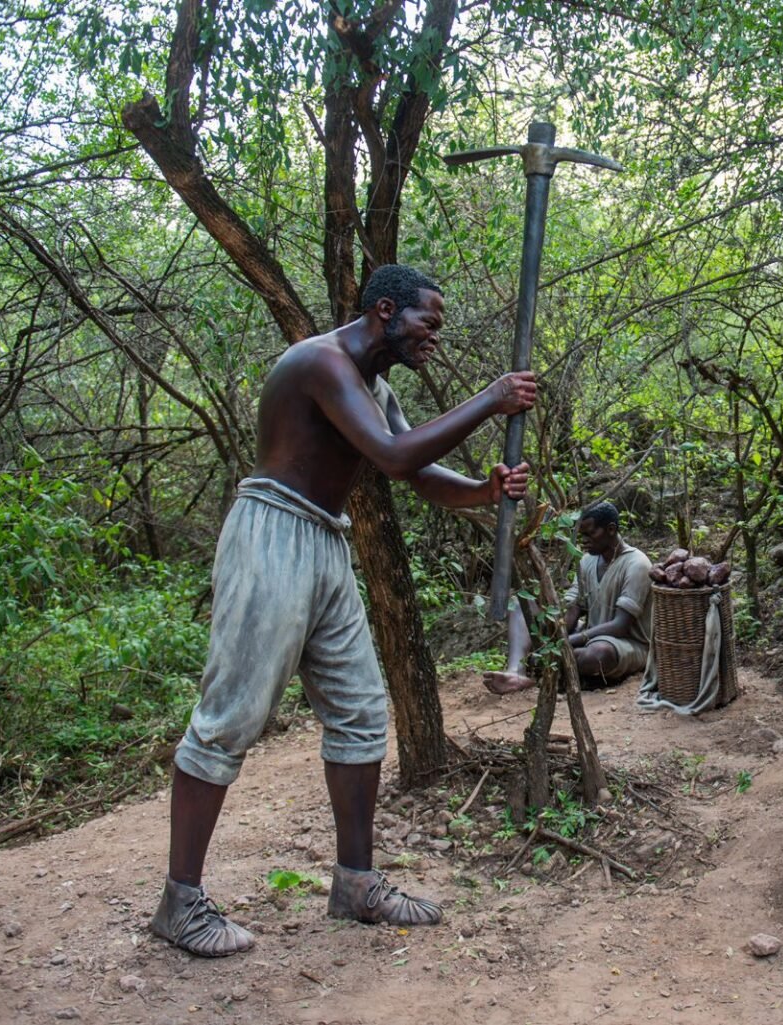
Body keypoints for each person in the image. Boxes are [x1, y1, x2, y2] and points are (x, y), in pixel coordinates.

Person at [149, 264, 536, 957]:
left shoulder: (375, 386)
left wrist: (483, 490)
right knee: (230, 717)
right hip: (271, 534)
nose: (434, 337)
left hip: (326, 542)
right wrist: (491, 398)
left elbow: (420, 473)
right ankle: (180, 902)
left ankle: (356, 884)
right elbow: (392, 457)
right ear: (386, 310)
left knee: (360, 712)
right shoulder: (321, 363)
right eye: (428, 323)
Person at [482, 501, 652, 694]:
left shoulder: (637, 564)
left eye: (590, 534)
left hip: (625, 644)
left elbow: (620, 625)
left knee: (598, 654)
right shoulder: (587, 561)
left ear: (611, 529)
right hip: (590, 635)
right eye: (581, 535)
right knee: (521, 604)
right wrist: (556, 634)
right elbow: (573, 607)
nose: (584, 541)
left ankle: (551, 667)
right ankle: (516, 672)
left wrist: (566, 642)